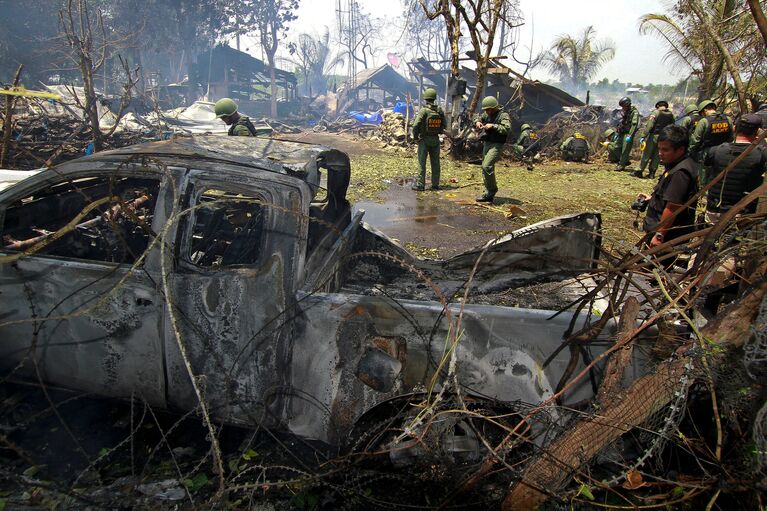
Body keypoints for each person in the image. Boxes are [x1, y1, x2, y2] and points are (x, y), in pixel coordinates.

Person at [635, 125, 699, 259]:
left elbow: (673, 207)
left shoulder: (681, 173)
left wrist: (660, 235)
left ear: (680, 149)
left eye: (665, 150)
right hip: (659, 229)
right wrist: (651, 199)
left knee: (654, 271)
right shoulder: (675, 165)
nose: (660, 153)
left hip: (668, 236)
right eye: (659, 149)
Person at [703, 113, 767, 223]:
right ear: (757, 132)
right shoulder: (761, 154)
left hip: (714, 211)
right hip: (741, 215)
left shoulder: (715, 151)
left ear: (734, 128)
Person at [473, 96, 511, 203]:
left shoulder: (503, 115)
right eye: (486, 110)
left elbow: (507, 129)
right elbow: (477, 118)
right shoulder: (486, 114)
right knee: (486, 167)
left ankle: (492, 191)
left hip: (497, 144)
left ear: (495, 107)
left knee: (487, 166)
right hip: (487, 143)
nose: (487, 112)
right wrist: (477, 122)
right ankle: (488, 192)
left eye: (489, 109)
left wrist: (493, 126)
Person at [411, 88, 446, 191]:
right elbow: (444, 125)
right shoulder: (439, 110)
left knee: (422, 163)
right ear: (434, 98)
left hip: (424, 140)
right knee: (435, 163)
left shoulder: (423, 110)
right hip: (435, 140)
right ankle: (435, 185)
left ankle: (420, 185)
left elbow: (415, 125)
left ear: (425, 98)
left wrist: (416, 138)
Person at [689, 99, 733, 176]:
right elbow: (731, 137)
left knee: (704, 177)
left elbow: (695, 141)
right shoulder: (728, 119)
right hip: (724, 152)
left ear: (705, 111)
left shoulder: (704, 121)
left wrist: (690, 152)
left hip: (707, 154)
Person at [632, 100, 675, 179]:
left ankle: (639, 171)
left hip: (654, 136)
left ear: (658, 106)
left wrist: (643, 135)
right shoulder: (671, 115)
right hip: (664, 137)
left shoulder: (656, 113)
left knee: (646, 153)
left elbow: (649, 125)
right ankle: (652, 173)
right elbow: (672, 126)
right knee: (657, 155)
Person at [615, 96, 640, 171]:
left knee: (625, 150)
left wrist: (630, 135)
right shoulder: (626, 111)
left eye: (623, 106)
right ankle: (625, 160)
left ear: (627, 105)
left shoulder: (634, 112)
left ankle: (621, 165)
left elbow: (634, 125)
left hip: (628, 133)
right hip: (622, 132)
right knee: (616, 147)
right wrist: (618, 132)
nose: (622, 108)